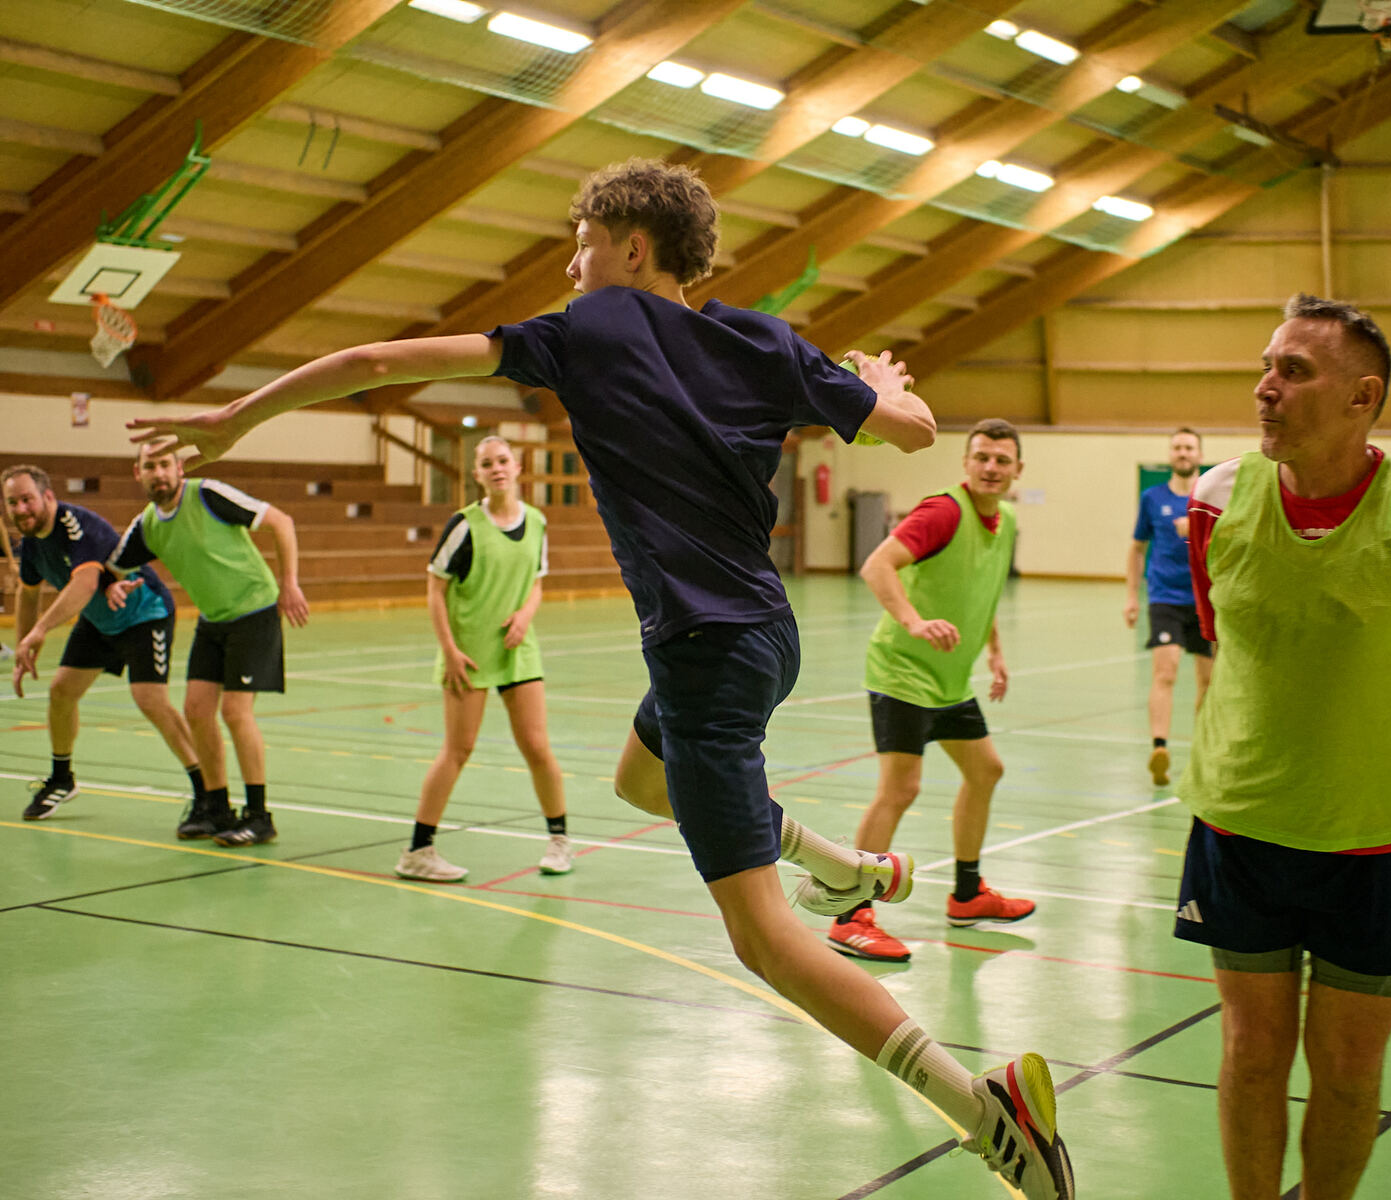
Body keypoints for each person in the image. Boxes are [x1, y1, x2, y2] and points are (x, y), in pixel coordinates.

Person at [126, 158, 1075, 1200]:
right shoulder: (764, 339)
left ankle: (986, 1112)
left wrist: (241, 418)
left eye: (581, 246)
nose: (570, 267)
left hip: (706, 656)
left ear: (631, 248)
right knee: (636, 781)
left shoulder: (588, 330)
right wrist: (884, 389)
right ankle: (840, 866)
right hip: (761, 634)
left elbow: (373, 358)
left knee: (763, 938)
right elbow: (916, 431)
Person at [1176, 295, 1391, 1200]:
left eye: (1294, 372)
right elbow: (1222, 634)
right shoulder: (1215, 499)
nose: (1266, 387)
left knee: (1347, 1071)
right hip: (1240, 829)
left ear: (1363, 397)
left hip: (1374, 844)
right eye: (1266, 366)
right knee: (1250, 1053)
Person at [827, 417, 1033, 964]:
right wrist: (914, 622)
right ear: (966, 463)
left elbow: (981, 589)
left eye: (1002, 460)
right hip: (902, 672)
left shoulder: (1007, 520)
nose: (991, 467)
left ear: (1018, 469)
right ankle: (850, 915)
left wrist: (995, 650)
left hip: (948, 681)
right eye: (981, 457)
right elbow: (877, 566)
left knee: (986, 770)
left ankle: (967, 895)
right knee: (901, 789)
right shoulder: (943, 512)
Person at [107, 447, 309, 846]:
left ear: (179, 468)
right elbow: (112, 566)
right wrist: (112, 584)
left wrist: (289, 583)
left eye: (165, 464)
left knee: (235, 712)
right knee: (196, 710)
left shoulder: (208, 494)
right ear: (137, 473)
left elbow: (281, 522)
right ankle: (216, 809)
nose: (159, 473)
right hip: (213, 619)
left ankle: (259, 816)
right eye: (150, 466)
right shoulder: (147, 525)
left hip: (254, 610)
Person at [397, 434, 572, 882]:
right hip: (469, 654)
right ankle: (417, 851)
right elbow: (435, 589)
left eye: (503, 460)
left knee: (537, 747)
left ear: (517, 467)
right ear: (477, 474)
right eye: (488, 463)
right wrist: (449, 650)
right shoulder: (464, 525)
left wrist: (525, 615)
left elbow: (536, 581)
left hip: (518, 650)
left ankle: (559, 841)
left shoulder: (537, 522)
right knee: (458, 750)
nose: (497, 469)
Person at [3, 464, 205, 822]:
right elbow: (28, 593)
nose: (20, 509)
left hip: (144, 613)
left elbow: (84, 584)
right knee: (61, 692)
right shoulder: (32, 543)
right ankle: (62, 779)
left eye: (27, 499)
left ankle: (208, 791)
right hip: (99, 620)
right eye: (12, 502)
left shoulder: (76, 525)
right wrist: (23, 647)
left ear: (47, 496)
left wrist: (41, 631)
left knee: (150, 699)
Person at [1123, 428, 1212, 787]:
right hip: (1165, 598)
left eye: (1189, 447)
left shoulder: (1210, 498)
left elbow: (1229, 539)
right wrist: (1132, 596)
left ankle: (1204, 750)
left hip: (1205, 599)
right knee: (1166, 672)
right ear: (1170, 454)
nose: (1183, 452)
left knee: (1208, 680)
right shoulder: (1152, 498)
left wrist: (1195, 529)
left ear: (1199, 455)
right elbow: (1137, 548)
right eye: (1177, 447)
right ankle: (1159, 747)